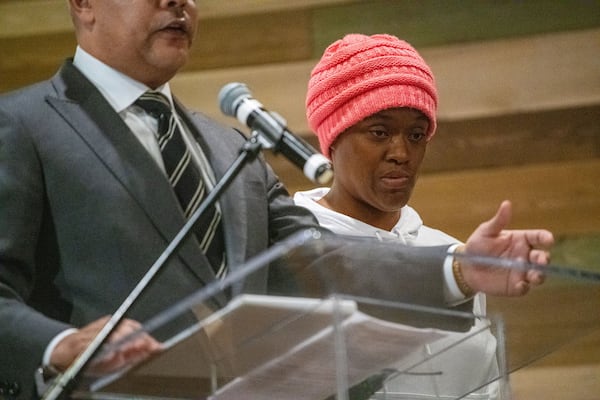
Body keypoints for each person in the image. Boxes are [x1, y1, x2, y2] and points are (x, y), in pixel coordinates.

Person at [0, 2, 553, 400]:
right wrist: (59, 346)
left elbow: (318, 261)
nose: (179, 3)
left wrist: (457, 269)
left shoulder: (231, 147)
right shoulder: (21, 124)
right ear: (83, 5)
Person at [294, 33, 515, 398]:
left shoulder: (451, 256)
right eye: (379, 132)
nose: (402, 153)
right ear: (332, 140)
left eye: (416, 135)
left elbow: (486, 384)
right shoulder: (294, 248)